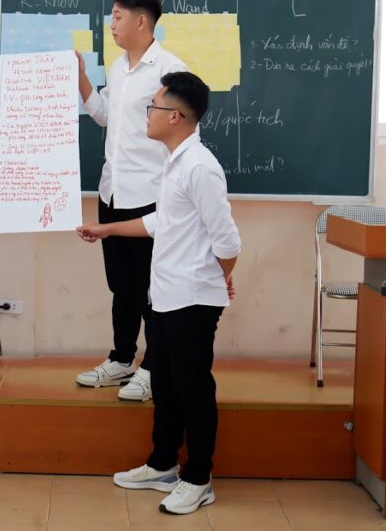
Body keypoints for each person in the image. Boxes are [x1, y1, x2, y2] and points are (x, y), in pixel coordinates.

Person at [77, 71, 241, 515]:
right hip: (166, 294)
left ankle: (198, 477)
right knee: (165, 386)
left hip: (192, 298)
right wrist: (107, 229)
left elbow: (227, 241)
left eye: (153, 107)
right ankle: (162, 464)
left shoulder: (200, 166)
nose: (146, 114)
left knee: (193, 388)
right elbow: (160, 223)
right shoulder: (174, 162)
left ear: (174, 117)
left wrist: (219, 278)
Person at [75, 0, 188, 401]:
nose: (112, 24)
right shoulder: (118, 67)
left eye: (118, 16)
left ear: (142, 21)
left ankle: (154, 368)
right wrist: (83, 81)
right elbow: (106, 116)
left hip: (149, 197)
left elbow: (184, 131)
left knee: (152, 289)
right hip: (113, 192)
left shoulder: (170, 71)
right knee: (121, 286)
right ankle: (122, 358)